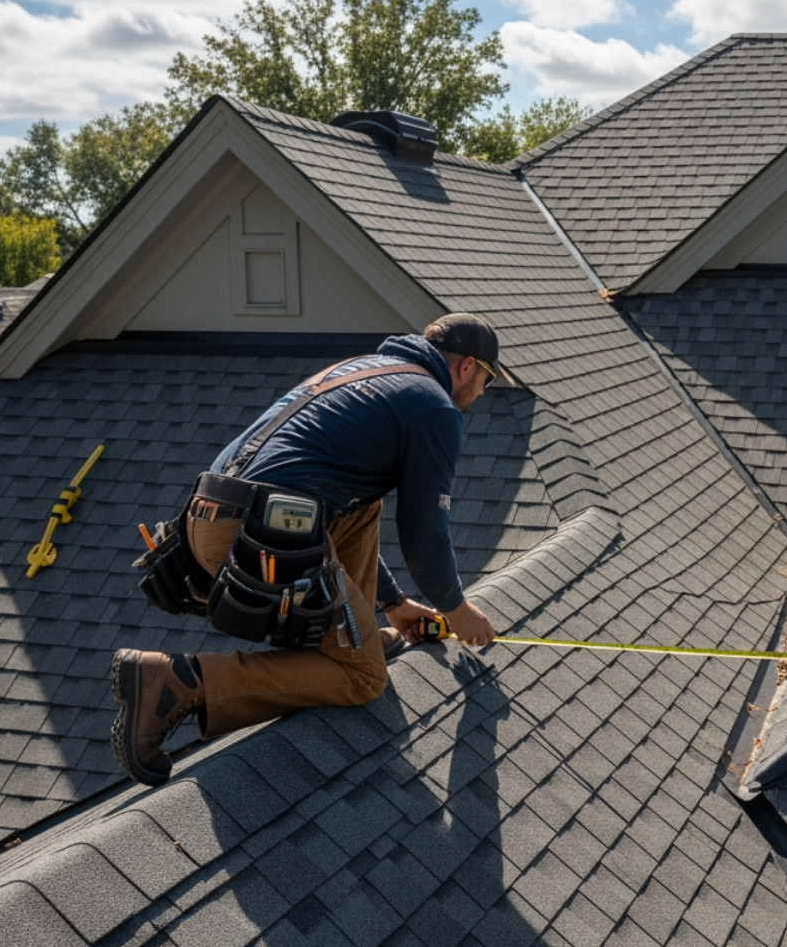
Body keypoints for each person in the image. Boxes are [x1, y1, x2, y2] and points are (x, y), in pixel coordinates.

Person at [110, 313, 499, 786]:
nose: (482, 392)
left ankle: (352, 636)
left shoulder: (364, 370)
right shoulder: (434, 407)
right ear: (466, 367)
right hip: (256, 537)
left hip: (213, 519)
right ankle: (175, 682)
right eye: (487, 379)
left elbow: (342, 511)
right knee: (364, 680)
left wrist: (393, 604)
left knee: (363, 504)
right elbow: (424, 535)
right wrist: (457, 611)